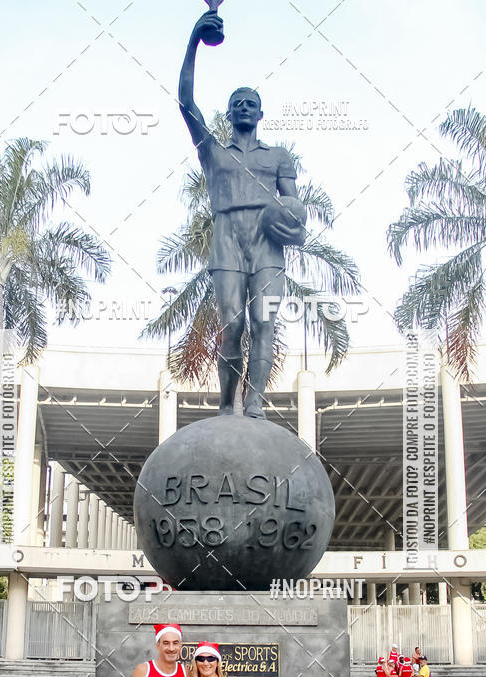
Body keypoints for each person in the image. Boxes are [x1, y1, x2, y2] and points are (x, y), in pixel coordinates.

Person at [179, 9, 305, 418]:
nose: (246, 107)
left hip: (267, 246)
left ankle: (255, 403)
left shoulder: (280, 156)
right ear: (229, 114)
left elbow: (296, 211)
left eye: (252, 103)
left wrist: (294, 227)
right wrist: (194, 41)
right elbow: (185, 102)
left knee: (264, 324)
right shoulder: (213, 153)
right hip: (228, 239)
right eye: (238, 104)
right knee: (232, 327)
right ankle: (226, 402)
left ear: (261, 114)